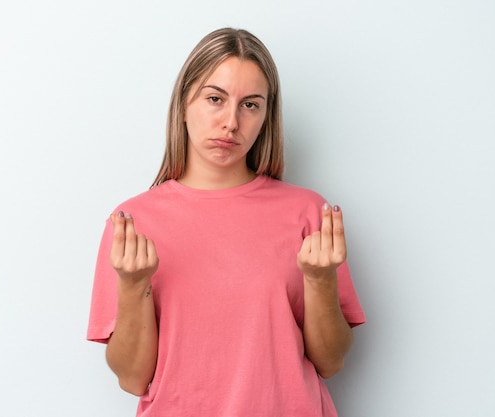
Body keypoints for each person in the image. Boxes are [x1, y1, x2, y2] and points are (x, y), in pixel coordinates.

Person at [87, 27, 366, 417]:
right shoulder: (133, 222)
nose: (231, 122)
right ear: (184, 103)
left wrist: (320, 281)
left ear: (267, 116)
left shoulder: (309, 213)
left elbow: (331, 363)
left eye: (250, 105)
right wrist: (134, 287)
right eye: (215, 99)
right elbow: (133, 379)